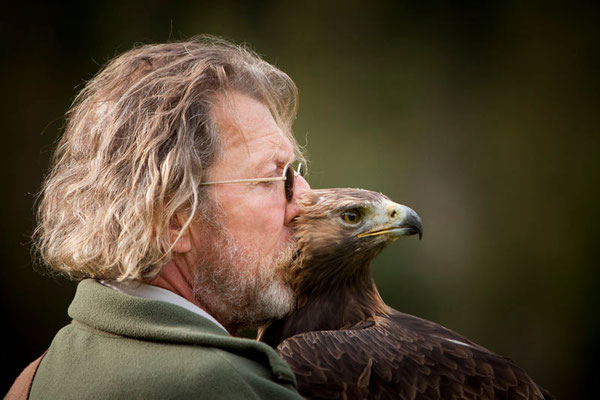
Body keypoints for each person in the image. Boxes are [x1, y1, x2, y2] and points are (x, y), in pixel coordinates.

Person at [8, 36, 310, 399]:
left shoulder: (36, 378)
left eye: (293, 172)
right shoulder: (228, 387)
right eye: (273, 177)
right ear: (173, 219)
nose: (304, 200)